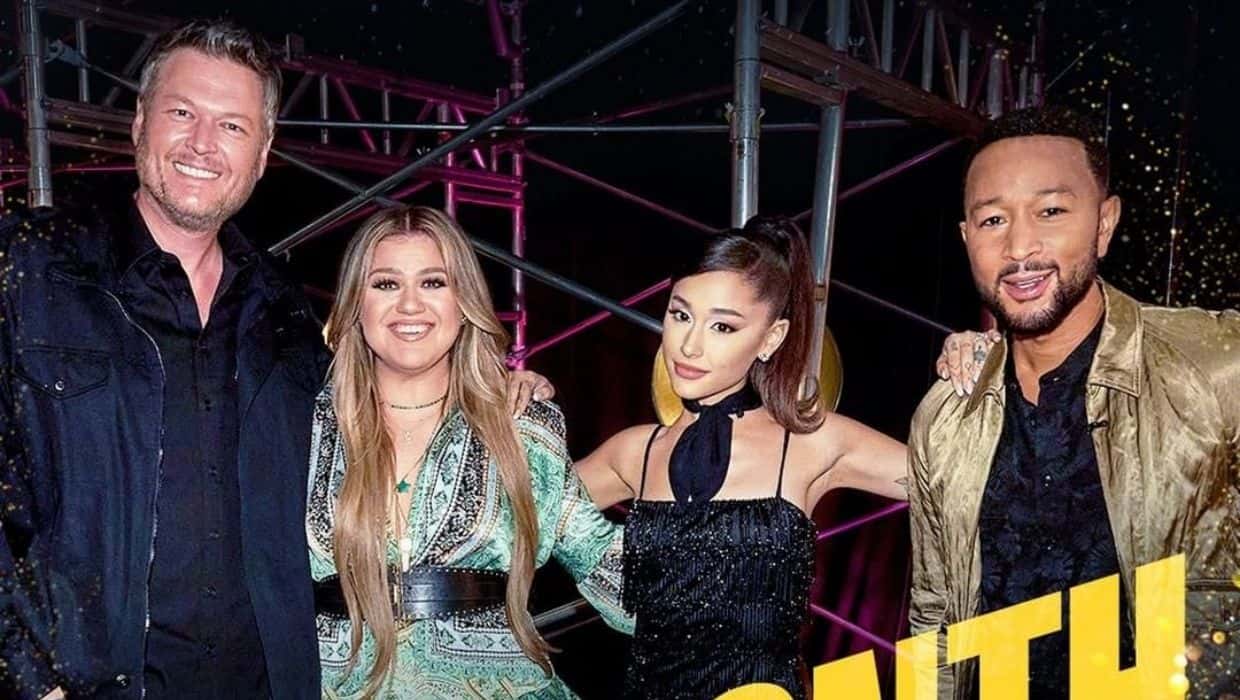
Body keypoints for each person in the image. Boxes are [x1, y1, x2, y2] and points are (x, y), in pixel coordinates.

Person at [0, 19, 334, 700]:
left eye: (233, 125)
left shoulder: (287, 314)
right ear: (138, 122)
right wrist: (31, 678)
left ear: (263, 153)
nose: (203, 143)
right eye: (182, 112)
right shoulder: (30, 268)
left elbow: (367, 456)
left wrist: (490, 396)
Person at [907, 105, 1240, 699]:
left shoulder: (1213, 365)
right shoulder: (945, 417)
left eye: (1051, 211)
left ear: (1104, 223)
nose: (1019, 247)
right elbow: (934, 619)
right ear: (966, 238)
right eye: (992, 220)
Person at [574, 215, 937, 699]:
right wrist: (518, 409)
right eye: (680, 315)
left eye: (722, 326)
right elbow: (504, 515)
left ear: (771, 338)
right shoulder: (633, 451)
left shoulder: (814, 442)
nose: (690, 345)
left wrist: (984, 375)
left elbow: (970, 483)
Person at [307, 205, 632, 699]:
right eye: (386, 284)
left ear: (464, 302)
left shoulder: (521, 425)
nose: (410, 305)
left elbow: (598, 556)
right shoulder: (301, 425)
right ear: (355, 304)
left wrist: (727, 596)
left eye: (434, 282)